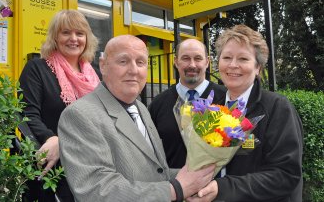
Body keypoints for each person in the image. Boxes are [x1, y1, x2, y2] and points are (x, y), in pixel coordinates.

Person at [57, 35, 215, 201]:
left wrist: (198, 179)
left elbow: (157, 173)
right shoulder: (80, 115)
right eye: (123, 61)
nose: (133, 70)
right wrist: (177, 189)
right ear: (103, 65)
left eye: (140, 62)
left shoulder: (140, 108)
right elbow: (98, 191)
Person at [186, 24, 303, 202]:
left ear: (258, 68)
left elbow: (286, 175)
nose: (233, 65)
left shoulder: (277, 107)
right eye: (226, 57)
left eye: (243, 59)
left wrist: (223, 188)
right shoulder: (210, 107)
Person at [19, 9, 100, 201]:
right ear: (55, 37)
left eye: (79, 33)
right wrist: (53, 139)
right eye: (66, 33)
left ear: (87, 38)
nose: (74, 39)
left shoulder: (96, 75)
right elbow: (27, 112)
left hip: (94, 164)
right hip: (54, 168)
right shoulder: (37, 68)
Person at [149, 38, 226, 168]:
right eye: (185, 58)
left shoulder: (226, 99)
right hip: (173, 185)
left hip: (217, 186)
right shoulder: (158, 104)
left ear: (207, 62)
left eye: (198, 58)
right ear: (175, 61)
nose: (192, 65)